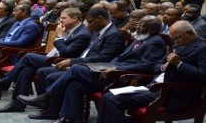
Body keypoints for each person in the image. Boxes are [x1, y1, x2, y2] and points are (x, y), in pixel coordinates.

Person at [17, 16, 166, 122]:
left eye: (141, 25)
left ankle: (46, 98)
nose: (137, 27)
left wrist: (115, 68)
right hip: (110, 71)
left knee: (76, 69)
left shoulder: (155, 42)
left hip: (121, 77)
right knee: (74, 84)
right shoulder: (140, 39)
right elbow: (119, 57)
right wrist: (112, 65)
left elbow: (147, 66)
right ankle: (72, 118)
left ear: (152, 29)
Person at [18, 7, 126, 120]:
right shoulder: (98, 32)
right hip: (86, 67)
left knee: (70, 75)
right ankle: (53, 111)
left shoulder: (114, 34)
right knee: (45, 72)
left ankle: (46, 99)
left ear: (100, 18)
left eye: (90, 21)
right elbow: (88, 54)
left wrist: (72, 62)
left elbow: (103, 58)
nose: (88, 24)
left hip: (99, 73)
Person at [0, 8, 91, 113]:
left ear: (75, 18)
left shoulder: (82, 34)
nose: (60, 21)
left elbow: (67, 52)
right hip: (55, 58)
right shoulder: (70, 29)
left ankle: (6, 81)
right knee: (27, 69)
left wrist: (59, 36)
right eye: (60, 18)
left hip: (64, 63)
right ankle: (17, 104)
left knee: (29, 56)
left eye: (64, 18)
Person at [97, 20, 206, 123]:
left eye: (178, 38)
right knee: (108, 96)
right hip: (156, 86)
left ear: (189, 33)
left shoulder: (201, 48)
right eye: (173, 39)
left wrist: (179, 64)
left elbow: (203, 76)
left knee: (113, 100)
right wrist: (163, 67)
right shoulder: (177, 45)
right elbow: (156, 65)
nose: (176, 42)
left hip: (175, 94)